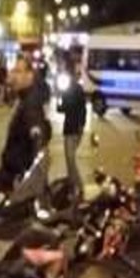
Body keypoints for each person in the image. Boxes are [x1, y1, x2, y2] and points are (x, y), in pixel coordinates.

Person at [0, 55, 48, 194]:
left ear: (30, 76)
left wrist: (25, 180)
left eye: (18, 71)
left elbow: (38, 143)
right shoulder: (24, 99)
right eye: (13, 71)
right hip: (13, 177)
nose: (13, 76)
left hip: (16, 181)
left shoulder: (31, 105)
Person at [56, 60, 88, 196]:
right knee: (70, 159)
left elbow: (65, 107)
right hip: (74, 127)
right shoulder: (76, 89)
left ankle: (78, 186)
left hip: (71, 128)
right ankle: (73, 186)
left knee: (70, 159)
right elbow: (81, 109)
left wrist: (60, 102)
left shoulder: (72, 89)